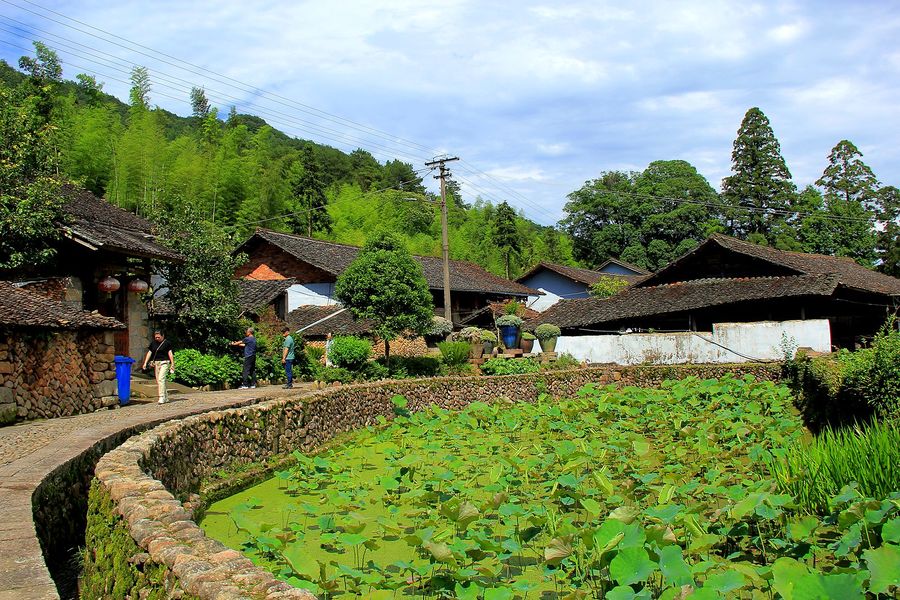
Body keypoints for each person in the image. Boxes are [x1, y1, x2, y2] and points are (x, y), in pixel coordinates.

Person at [141, 330, 175, 404]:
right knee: (159, 381)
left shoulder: (167, 343)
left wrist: (172, 363)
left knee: (161, 379)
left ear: (163, 336)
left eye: (158, 337)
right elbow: (149, 353)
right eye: (155, 337)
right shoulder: (153, 343)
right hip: (156, 363)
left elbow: (170, 353)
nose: (157, 338)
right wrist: (145, 363)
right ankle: (165, 397)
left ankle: (161, 397)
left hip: (164, 362)